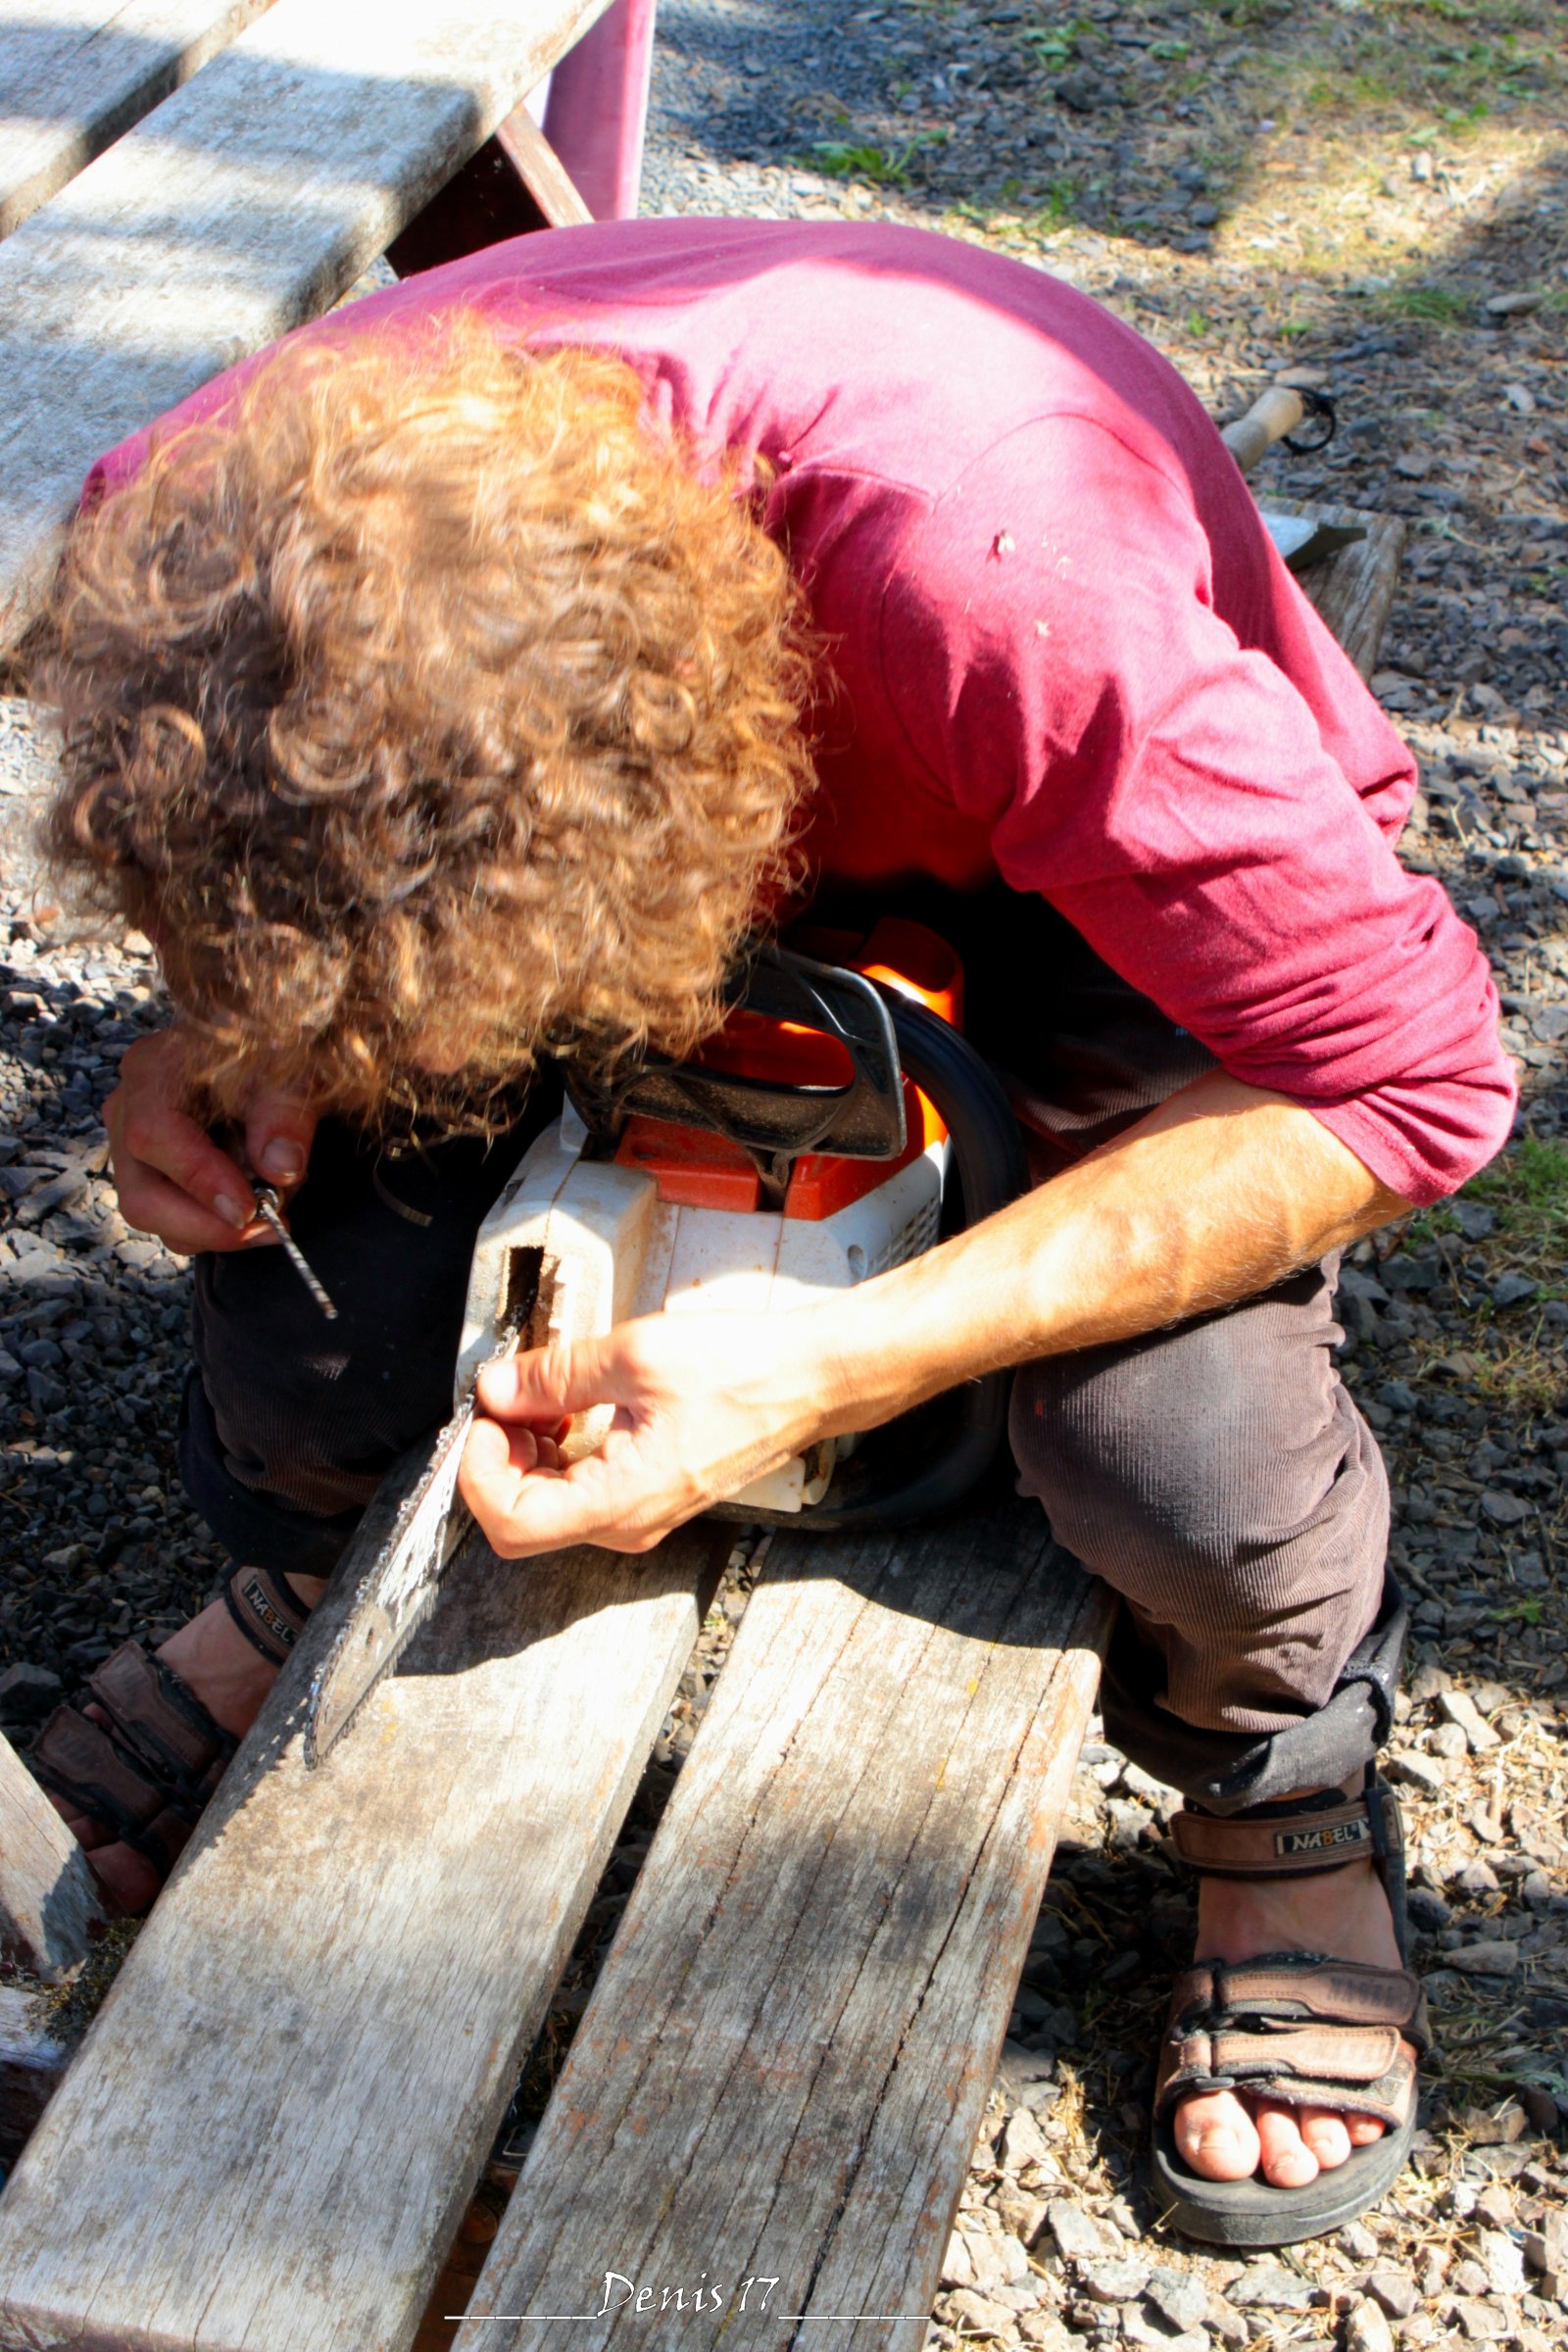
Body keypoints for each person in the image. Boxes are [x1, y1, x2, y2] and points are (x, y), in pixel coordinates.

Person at [28, 219, 1511, 2246]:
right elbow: (267, 905)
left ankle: (1282, 1774)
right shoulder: (190, 555)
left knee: (1168, 1459)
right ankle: (306, 1588)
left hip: (1045, 850)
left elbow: (1406, 1082)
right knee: (328, 1329)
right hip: (570, 760)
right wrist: (220, 1029)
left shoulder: (1014, 597)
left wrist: (847, 1353)